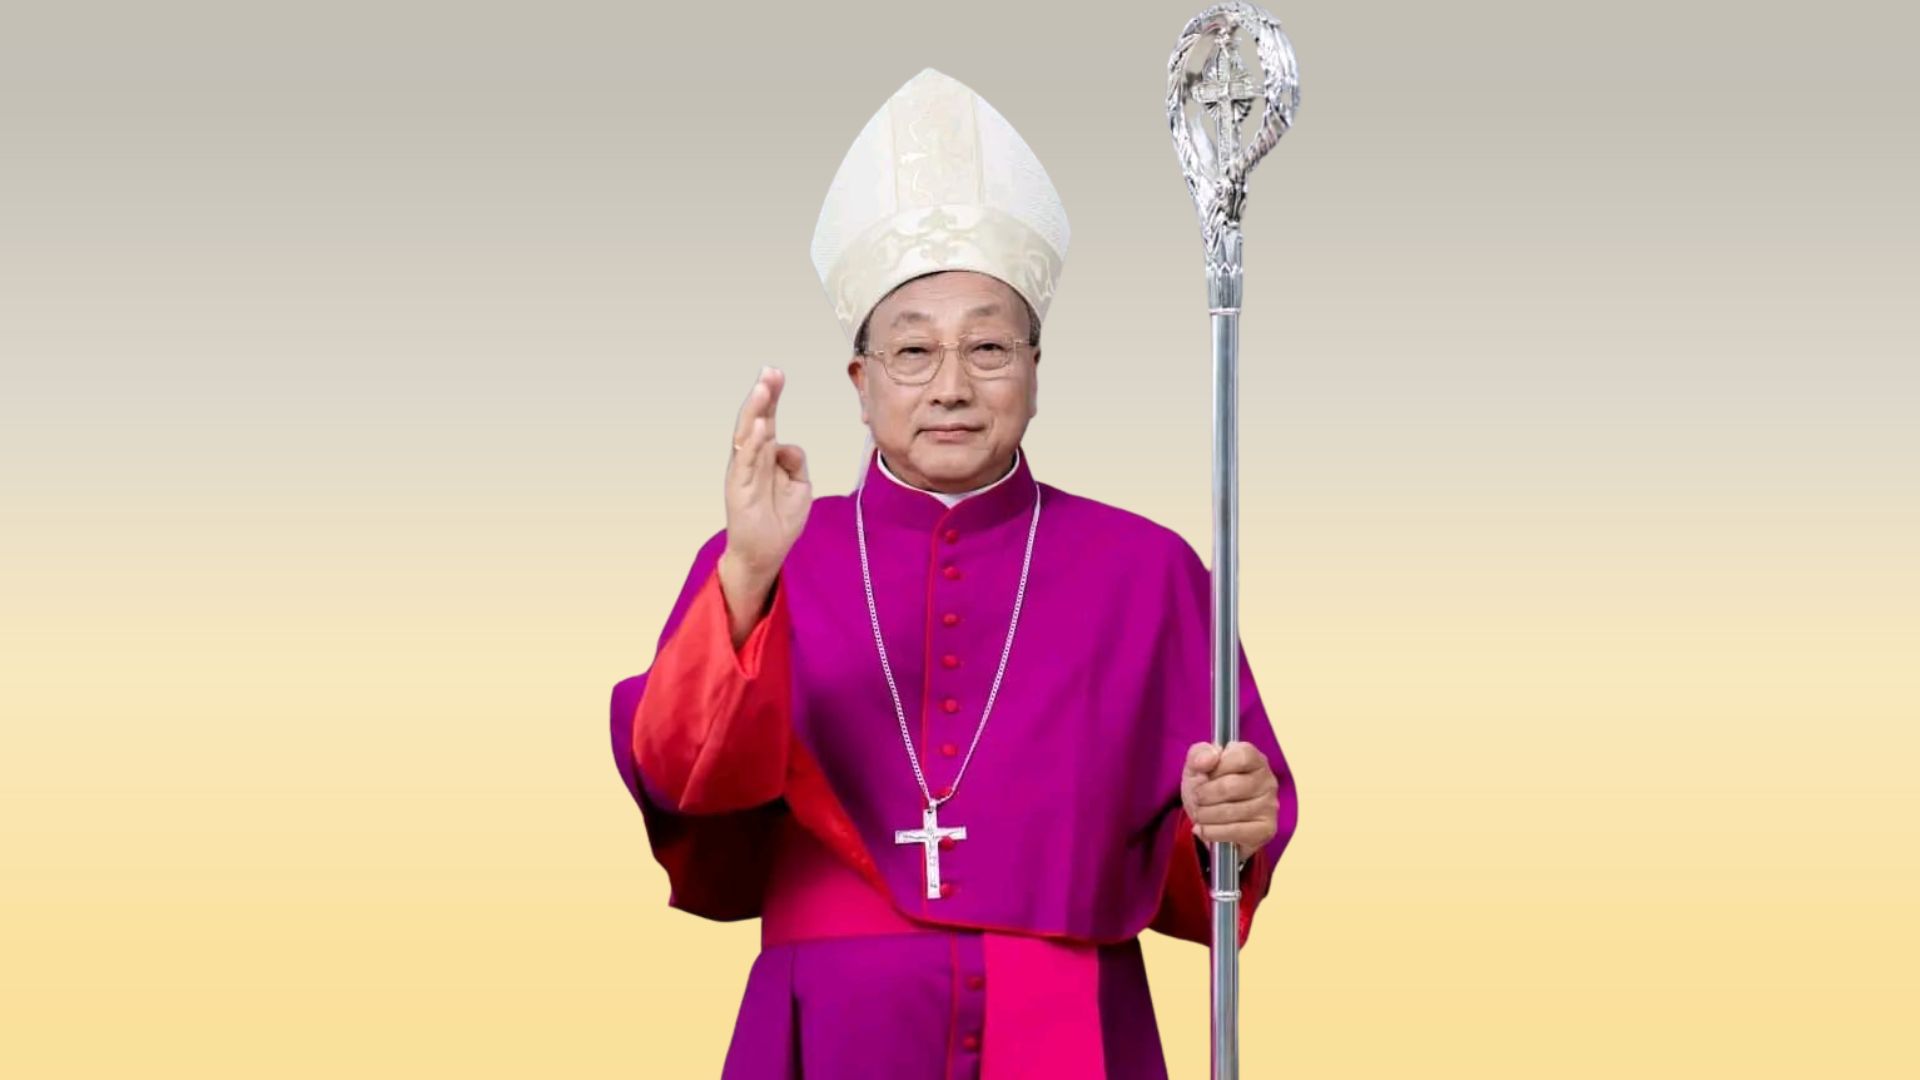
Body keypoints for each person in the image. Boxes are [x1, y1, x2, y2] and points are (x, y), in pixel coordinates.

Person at [609, 68, 1299, 1079]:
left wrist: (1229, 824)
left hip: (1067, 1031)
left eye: (988, 347)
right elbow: (682, 778)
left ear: (1035, 372)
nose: (951, 387)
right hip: (831, 1033)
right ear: (861, 383)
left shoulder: (1148, 570)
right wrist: (749, 573)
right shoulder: (766, 554)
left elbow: (1223, 844)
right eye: (913, 352)